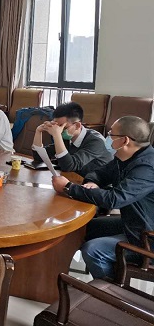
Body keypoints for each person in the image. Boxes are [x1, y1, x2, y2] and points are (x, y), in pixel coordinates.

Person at [52, 116, 154, 279]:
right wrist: (92, 182)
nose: (108, 137)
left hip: (146, 238)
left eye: (111, 134)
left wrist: (69, 187)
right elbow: (100, 173)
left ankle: (110, 290)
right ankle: (52, 273)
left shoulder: (146, 167)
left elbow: (115, 199)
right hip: (133, 223)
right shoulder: (126, 157)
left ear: (124, 140)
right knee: (81, 228)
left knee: (93, 250)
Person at [32, 101, 112, 176]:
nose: (59, 130)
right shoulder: (67, 137)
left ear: (77, 125)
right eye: (57, 126)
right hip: (74, 178)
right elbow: (39, 157)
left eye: (62, 127)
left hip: (95, 183)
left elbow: (69, 166)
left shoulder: (96, 141)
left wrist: (57, 135)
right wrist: (38, 131)